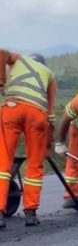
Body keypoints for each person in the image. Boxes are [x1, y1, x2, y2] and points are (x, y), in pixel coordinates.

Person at [0, 50, 57, 227]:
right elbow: (52, 114)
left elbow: (1, 52)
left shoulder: (18, 59)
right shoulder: (50, 75)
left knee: (3, 162)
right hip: (38, 115)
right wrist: (48, 143)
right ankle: (31, 212)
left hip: (13, 109)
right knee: (35, 163)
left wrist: (1, 81)